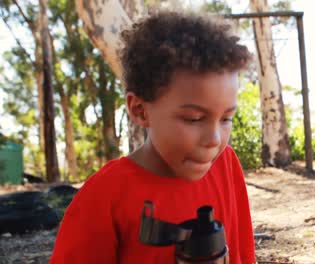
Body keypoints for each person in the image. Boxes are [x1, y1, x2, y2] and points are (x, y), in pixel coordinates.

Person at [50, 10, 255, 264]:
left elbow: (242, 254)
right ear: (140, 110)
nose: (214, 139)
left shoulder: (225, 165)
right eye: (193, 118)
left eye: (226, 118)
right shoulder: (103, 199)